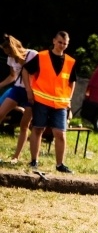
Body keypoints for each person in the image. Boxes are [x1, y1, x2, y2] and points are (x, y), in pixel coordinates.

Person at [21, 31, 77, 172]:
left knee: (60, 134)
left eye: (65, 43)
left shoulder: (70, 61)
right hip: (41, 100)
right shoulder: (42, 56)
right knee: (38, 129)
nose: (62, 45)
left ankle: (60, 165)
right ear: (54, 41)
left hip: (60, 104)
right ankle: (34, 161)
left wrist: (69, 99)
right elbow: (25, 70)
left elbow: (72, 82)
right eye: (60, 42)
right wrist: (28, 90)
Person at [0, 35, 37, 163]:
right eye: (7, 54)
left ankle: (16, 156)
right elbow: (12, 76)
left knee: (24, 125)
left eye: (9, 53)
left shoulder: (32, 54)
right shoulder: (10, 58)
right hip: (17, 89)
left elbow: (38, 74)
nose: (8, 56)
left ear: (14, 49)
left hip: (31, 92)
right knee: (0, 114)